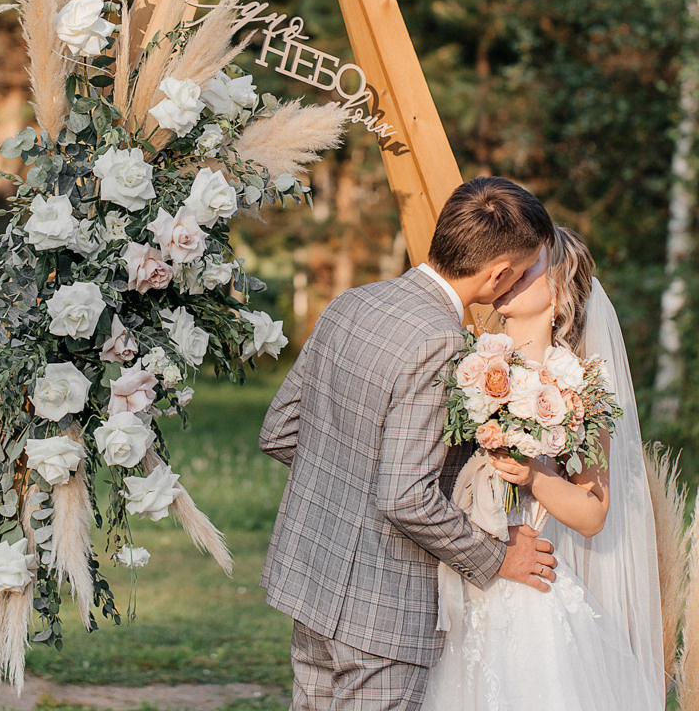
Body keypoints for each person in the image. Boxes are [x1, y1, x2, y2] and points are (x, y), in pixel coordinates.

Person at [259, 176, 558, 711]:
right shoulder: (441, 341)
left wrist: (351, 486)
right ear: (499, 274)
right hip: (384, 603)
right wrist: (496, 557)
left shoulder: (353, 302)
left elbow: (281, 429)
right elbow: (404, 496)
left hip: (311, 576)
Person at [425, 226, 664, 711]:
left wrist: (535, 473)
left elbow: (594, 514)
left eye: (530, 266)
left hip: (528, 590)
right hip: (451, 573)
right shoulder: (459, 358)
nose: (510, 272)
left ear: (559, 292)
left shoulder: (582, 391)